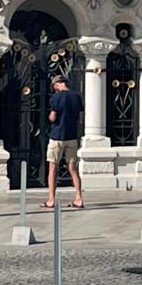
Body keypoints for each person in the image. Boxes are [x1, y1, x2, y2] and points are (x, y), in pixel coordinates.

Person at [44, 74, 84, 210]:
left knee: (52, 167)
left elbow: (53, 117)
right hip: (72, 136)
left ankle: (51, 199)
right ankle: (78, 198)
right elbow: (80, 118)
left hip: (57, 137)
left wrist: (50, 116)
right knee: (73, 169)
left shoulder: (56, 97)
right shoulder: (76, 96)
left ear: (56, 85)